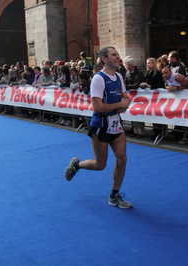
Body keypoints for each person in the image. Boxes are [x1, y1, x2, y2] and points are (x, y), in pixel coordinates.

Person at [64, 46, 132, 209]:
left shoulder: (119, 76)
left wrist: (125, 104)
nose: (118, 57)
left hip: (115, 123)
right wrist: (119, 104)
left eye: (118, 54)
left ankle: (114, 196)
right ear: (104, 59)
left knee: (122, 159)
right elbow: (98, 107)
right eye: (114, 55)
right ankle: (77, 165)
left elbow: (125, 97)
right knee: (100, 165)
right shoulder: (99, 79)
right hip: (101, 124)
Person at [123, 57, 144, 138]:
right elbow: (125, 80)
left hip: (138, 95)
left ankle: (140, 132)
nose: (126, 66)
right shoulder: (127, 72)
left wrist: (127, 86)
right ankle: (135, 130)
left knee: (138, 113)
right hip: (131, 95)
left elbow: (138, 83)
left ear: (131, 65)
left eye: (127, 64)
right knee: (132, 112)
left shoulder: (138, 72)